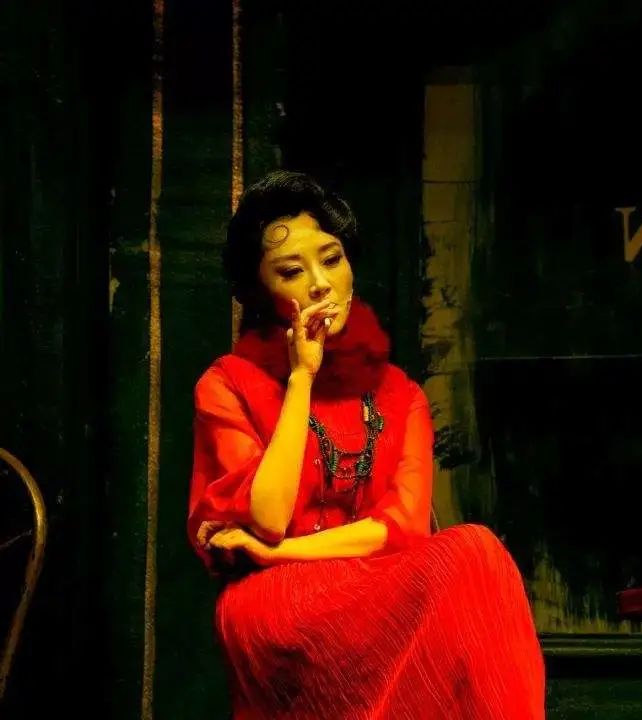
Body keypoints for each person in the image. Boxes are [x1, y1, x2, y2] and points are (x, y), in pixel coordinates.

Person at [187, 170, 546, 719]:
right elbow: (268, 518)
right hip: (277, 603)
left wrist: (282, 552)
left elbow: (403, 528)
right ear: (260, 292)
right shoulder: (227, 383)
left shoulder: (400, 394)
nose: (320, 284)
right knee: (470, 557)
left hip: (367, 587)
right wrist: (301, 377)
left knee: (475, 553)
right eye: (291, 271)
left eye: (331, 259)